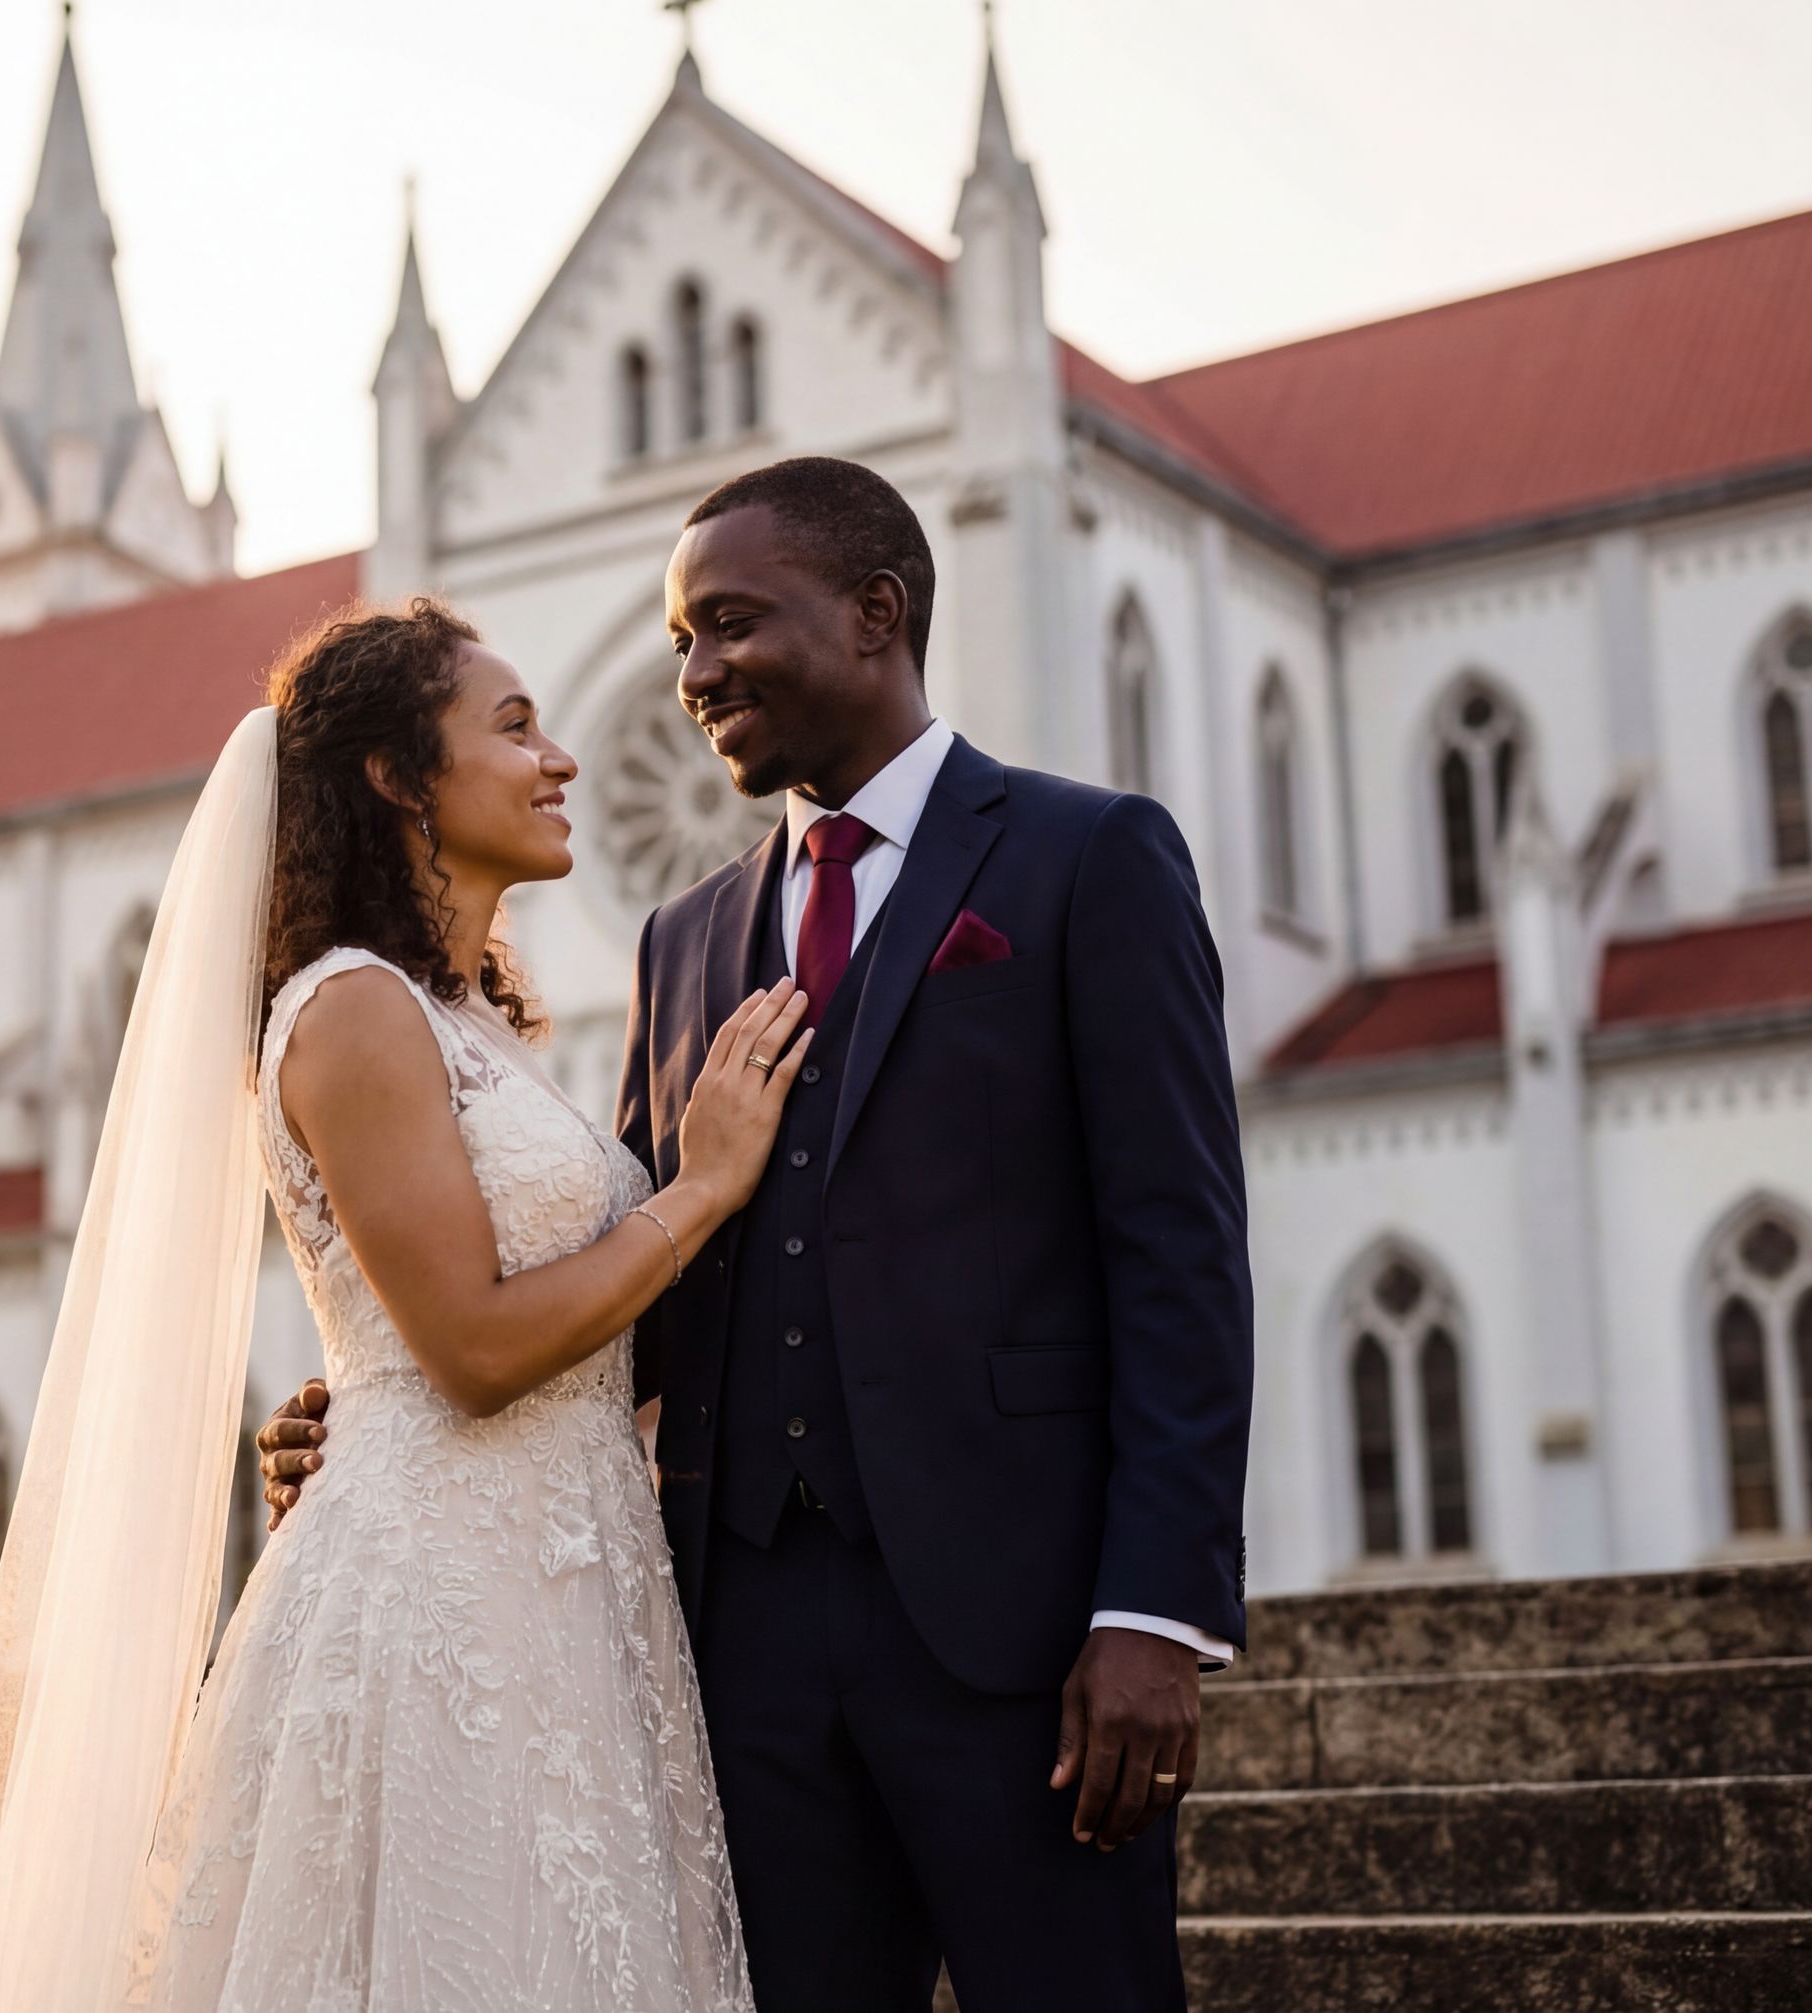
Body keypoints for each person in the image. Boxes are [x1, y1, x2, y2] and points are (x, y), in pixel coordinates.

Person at [263, 456, 1254, 2011]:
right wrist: (389, 1407)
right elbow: (649, 1274)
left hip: (1026, 1637)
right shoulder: (688, 937)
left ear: (876, 613)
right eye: (678, 638)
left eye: (729, 623)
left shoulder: (1088, 859)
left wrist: (1155, 1612)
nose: (692, 671)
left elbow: (1179, 1252)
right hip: (742, 1658)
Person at [0, 601, 805, 2013]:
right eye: (511, 727)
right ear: (394, 775)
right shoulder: (355, 1008)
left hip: (562, 1586)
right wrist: (706, 1184)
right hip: (448, 1602)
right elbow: (478, 1346)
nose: (557, 759)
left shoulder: (471, 1023)